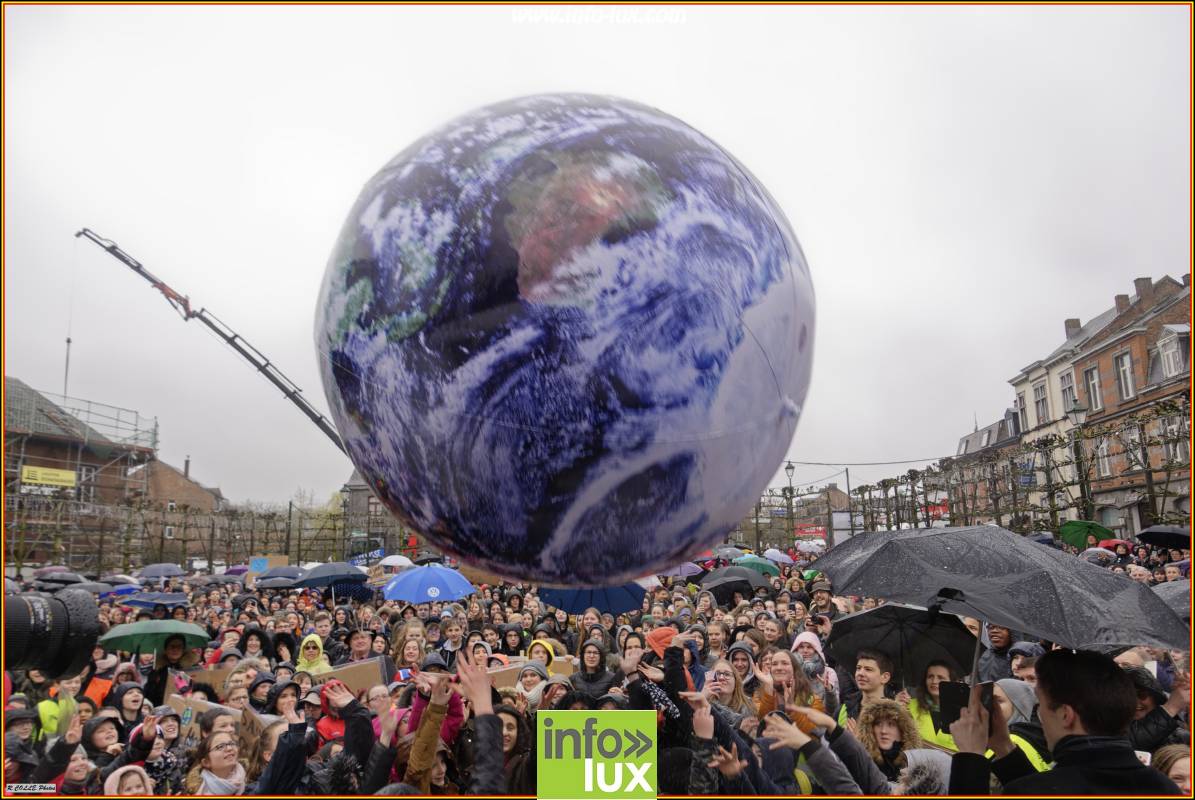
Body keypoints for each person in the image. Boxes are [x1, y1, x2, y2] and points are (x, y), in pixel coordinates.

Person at [948, 648, 1183, 794]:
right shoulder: (1164, 788)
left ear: (1065, 715)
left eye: (1042, 706)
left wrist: (970, 756)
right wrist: (1004, 747)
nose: (1040, 717)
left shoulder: (1030, 791)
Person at [903, 659, 961, 750]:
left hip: (954, 763)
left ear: (952, 682)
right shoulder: (910, 706)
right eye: (930, 676)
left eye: (940, 677)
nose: (934, 681)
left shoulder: (964, 711)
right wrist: (897, 706)